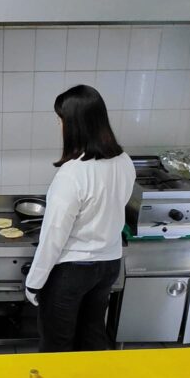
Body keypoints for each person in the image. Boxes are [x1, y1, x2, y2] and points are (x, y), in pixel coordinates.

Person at [24, 85, 135, 352]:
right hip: (109, 264)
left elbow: (53, 236)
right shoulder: (124, 162)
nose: (59, 125)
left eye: (61, 120)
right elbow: (117, 206)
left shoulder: (72, 174)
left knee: (57, 345)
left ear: (74, 125)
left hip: (72, 271)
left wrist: (34, 282)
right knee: (92, 337)